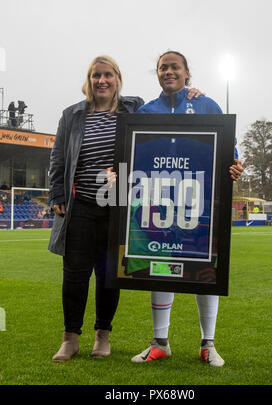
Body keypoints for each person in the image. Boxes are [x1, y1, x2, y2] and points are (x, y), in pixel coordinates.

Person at [49, 55, 202, 362]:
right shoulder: (72, 115)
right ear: (89, 80)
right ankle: (70, 337)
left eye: (108, 75)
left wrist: (192, 94)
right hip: (81, 205)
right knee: (75, 274)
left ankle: (102, 335)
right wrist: (57, 193)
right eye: (96, 75)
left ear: (118, 79)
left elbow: (166, 114)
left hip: (118, 204)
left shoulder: (134, 108)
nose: (102, 80)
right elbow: (58, 157)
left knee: (109, 274)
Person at [131, 51, 243, 367]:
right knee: (160, 267)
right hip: (159, 203)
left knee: (204, 269)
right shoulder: (145, 111)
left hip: (200, 202)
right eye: (163, 67)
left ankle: (208, 344)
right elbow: (135, 153)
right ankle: (160, 342)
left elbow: (229, 152)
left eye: (174, 66)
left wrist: (234, 167)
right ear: (156, 73)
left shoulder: (208, 105)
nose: (168, 71)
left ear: (187, 72)